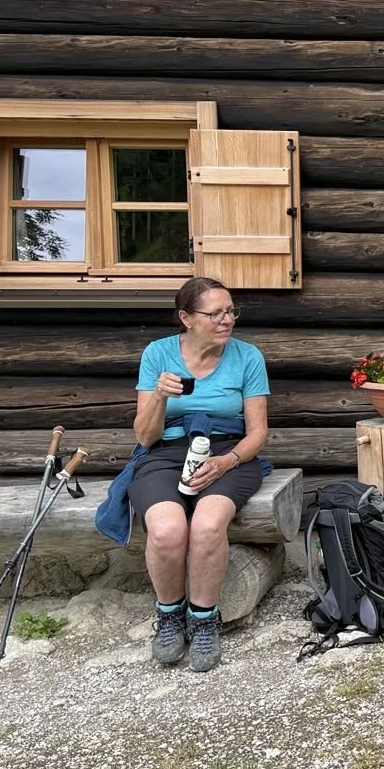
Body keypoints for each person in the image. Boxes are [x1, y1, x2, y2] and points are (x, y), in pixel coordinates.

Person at [129, 277, 270, 672]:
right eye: (217, 313)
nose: (228, 320)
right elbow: (144, 435)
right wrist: (158, 396)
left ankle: (204, 620)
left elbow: (258, 433)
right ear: (186, 318)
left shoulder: (247, 357)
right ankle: (170, 616)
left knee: (208, 526)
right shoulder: (158, 354)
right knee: (166, 530)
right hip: (167, 451)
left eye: (231, 311)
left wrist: (227, 462)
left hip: (228, 452)